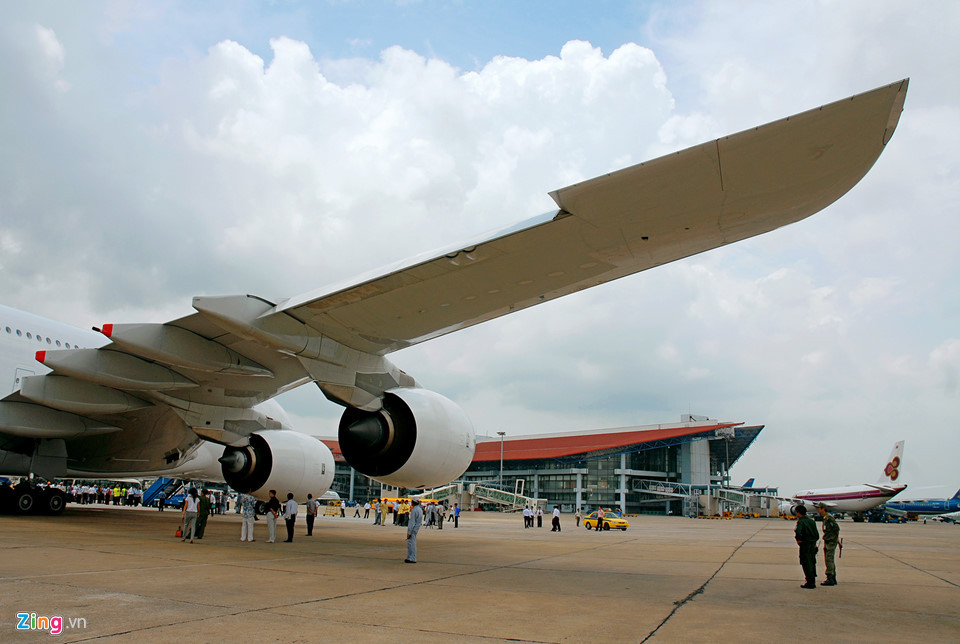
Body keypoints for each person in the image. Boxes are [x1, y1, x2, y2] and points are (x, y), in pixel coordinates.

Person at [794, 504, 819, 589]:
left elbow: (798, 532)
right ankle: (813, 580)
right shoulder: (811, 521)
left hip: (805, 544)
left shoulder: (801, 521)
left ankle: (809, 582)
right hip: (813, 544)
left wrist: (799, 540)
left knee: (805, 562)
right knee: (812, 561)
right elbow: (817, 534)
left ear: (798, 512)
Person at [818, 503, 840, 586]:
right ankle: (833, 577)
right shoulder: (825, 517)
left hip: (831, 541)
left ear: (823, 509)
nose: (818, 510)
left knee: (829, 559)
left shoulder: (828, 518)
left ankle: (830, 578)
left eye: (819, 508)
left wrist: (836, 539)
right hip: (828, 540)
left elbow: (836, 528)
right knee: (829, 559)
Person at [405, 499, 423, 563]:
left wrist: (409, 532)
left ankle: (412, 558)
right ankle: (409, 557)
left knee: (411, 544)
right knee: (412, 543)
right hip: (416, 528)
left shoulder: (414, 510)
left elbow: (412, 522)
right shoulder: (420, 509)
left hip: (413, 529)